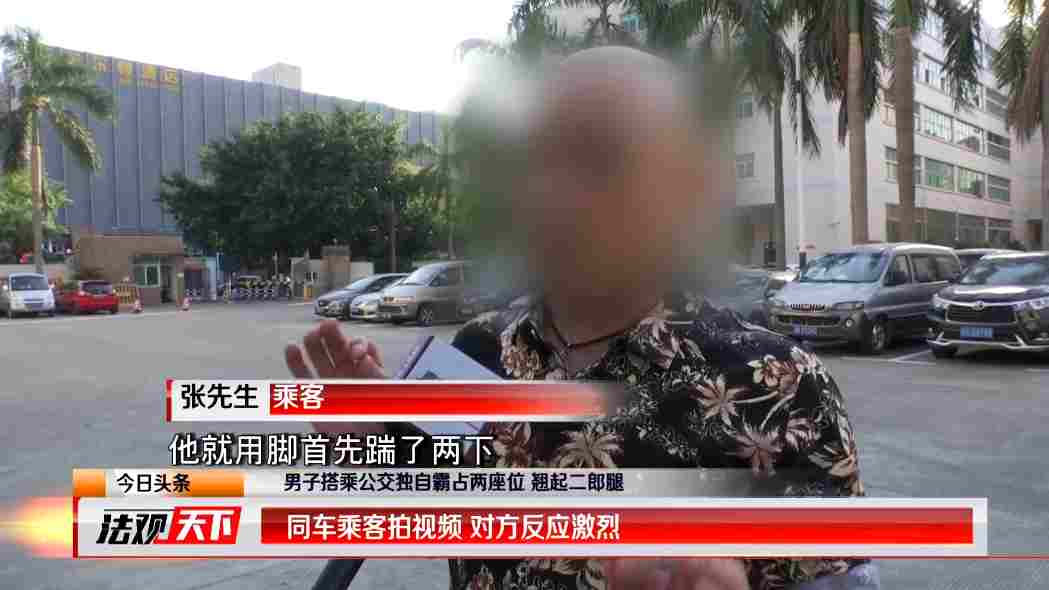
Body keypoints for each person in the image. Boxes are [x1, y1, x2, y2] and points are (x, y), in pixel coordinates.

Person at [287, 47, 873, 590]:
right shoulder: (477, 349)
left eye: (599, 159)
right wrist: (364, 442)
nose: (553, 196)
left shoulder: (783, 389)